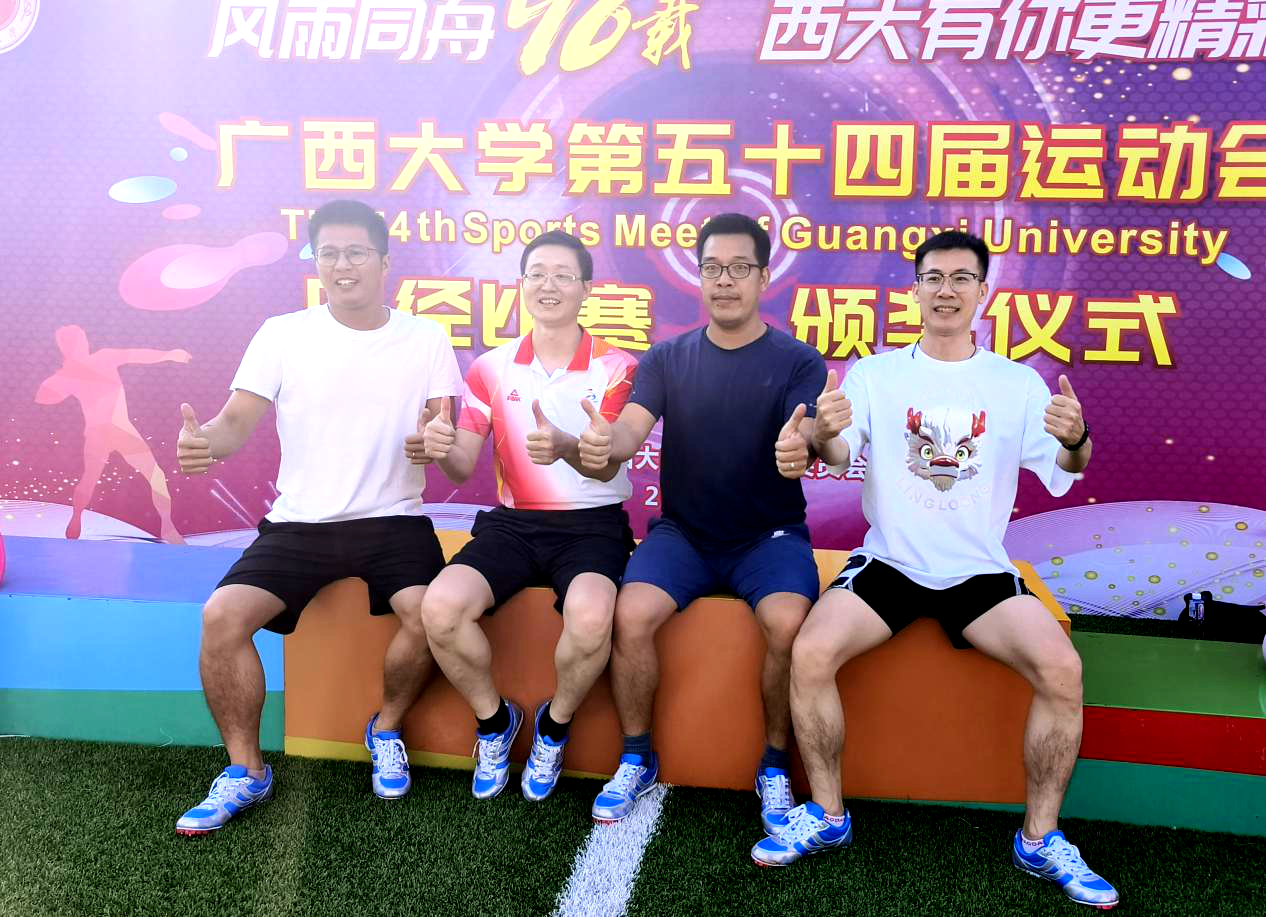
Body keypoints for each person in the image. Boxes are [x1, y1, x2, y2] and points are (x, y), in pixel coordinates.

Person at [751, 230, 1118, 909]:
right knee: (811, 653)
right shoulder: (875, 375)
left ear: (983, 292)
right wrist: (822, 432)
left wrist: (1078, 438)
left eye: (961, 278)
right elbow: (838, 453)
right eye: (933, 278)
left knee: (1063, 670)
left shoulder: (1016, 383)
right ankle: (827, 814)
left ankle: (1040, 838)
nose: (946, 290)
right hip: (891, 560)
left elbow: (1067, 466)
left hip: (978, 570)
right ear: (915, 290)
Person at [174, 199, 461, 834]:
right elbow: (234, 422)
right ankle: (245, 770)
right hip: (299, 524)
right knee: (221, 617)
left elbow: (442, 426)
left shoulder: (426, 338)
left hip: (394, 519)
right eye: (328, 253)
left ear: (384, 262)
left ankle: (386, 728)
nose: (342, 265)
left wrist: (434, 440)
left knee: (431, 615)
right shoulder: (282, 334)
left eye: (356, 252)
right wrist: (205, 443)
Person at [576, 213, 827, 835]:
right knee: (631, 615)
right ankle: (637, 756)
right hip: (683, 534)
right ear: (698, 276)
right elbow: (630, 432)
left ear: (764, 277)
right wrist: (607, 441)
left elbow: (807, 433)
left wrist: (802, 447)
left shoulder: (798, 361)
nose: (724, 281)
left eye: (739, 268)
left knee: (788, 623)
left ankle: (774, 765)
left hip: (768, 535)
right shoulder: (668, 357)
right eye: (712, 268)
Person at [420, 230, 637, 801]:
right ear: (521, 284)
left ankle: (553, 727)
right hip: (513, 525)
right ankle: (495, 723)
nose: (549, 285)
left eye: (564, 275)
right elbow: (462, 467)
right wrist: (441, 444)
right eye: (537, 273)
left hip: (592, 525)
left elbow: (606, 464)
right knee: (440, 609)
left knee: (592, 618)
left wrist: (567, 447)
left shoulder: (616, 367)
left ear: (587, 289)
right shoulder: (489, 368)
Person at [35, 325, 189, 543]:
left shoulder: (102, 358)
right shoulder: (70, 374)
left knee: (154, 475)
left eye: (81, 340)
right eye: (75, 342)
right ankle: (76, 519)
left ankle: (167, 527)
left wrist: (168, 355)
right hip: (101, 434)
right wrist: (63, 376)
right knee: (90, 481)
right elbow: (43, 397)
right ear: (66, 347)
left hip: (120, 431)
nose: (81, 344)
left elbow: (135, 355)